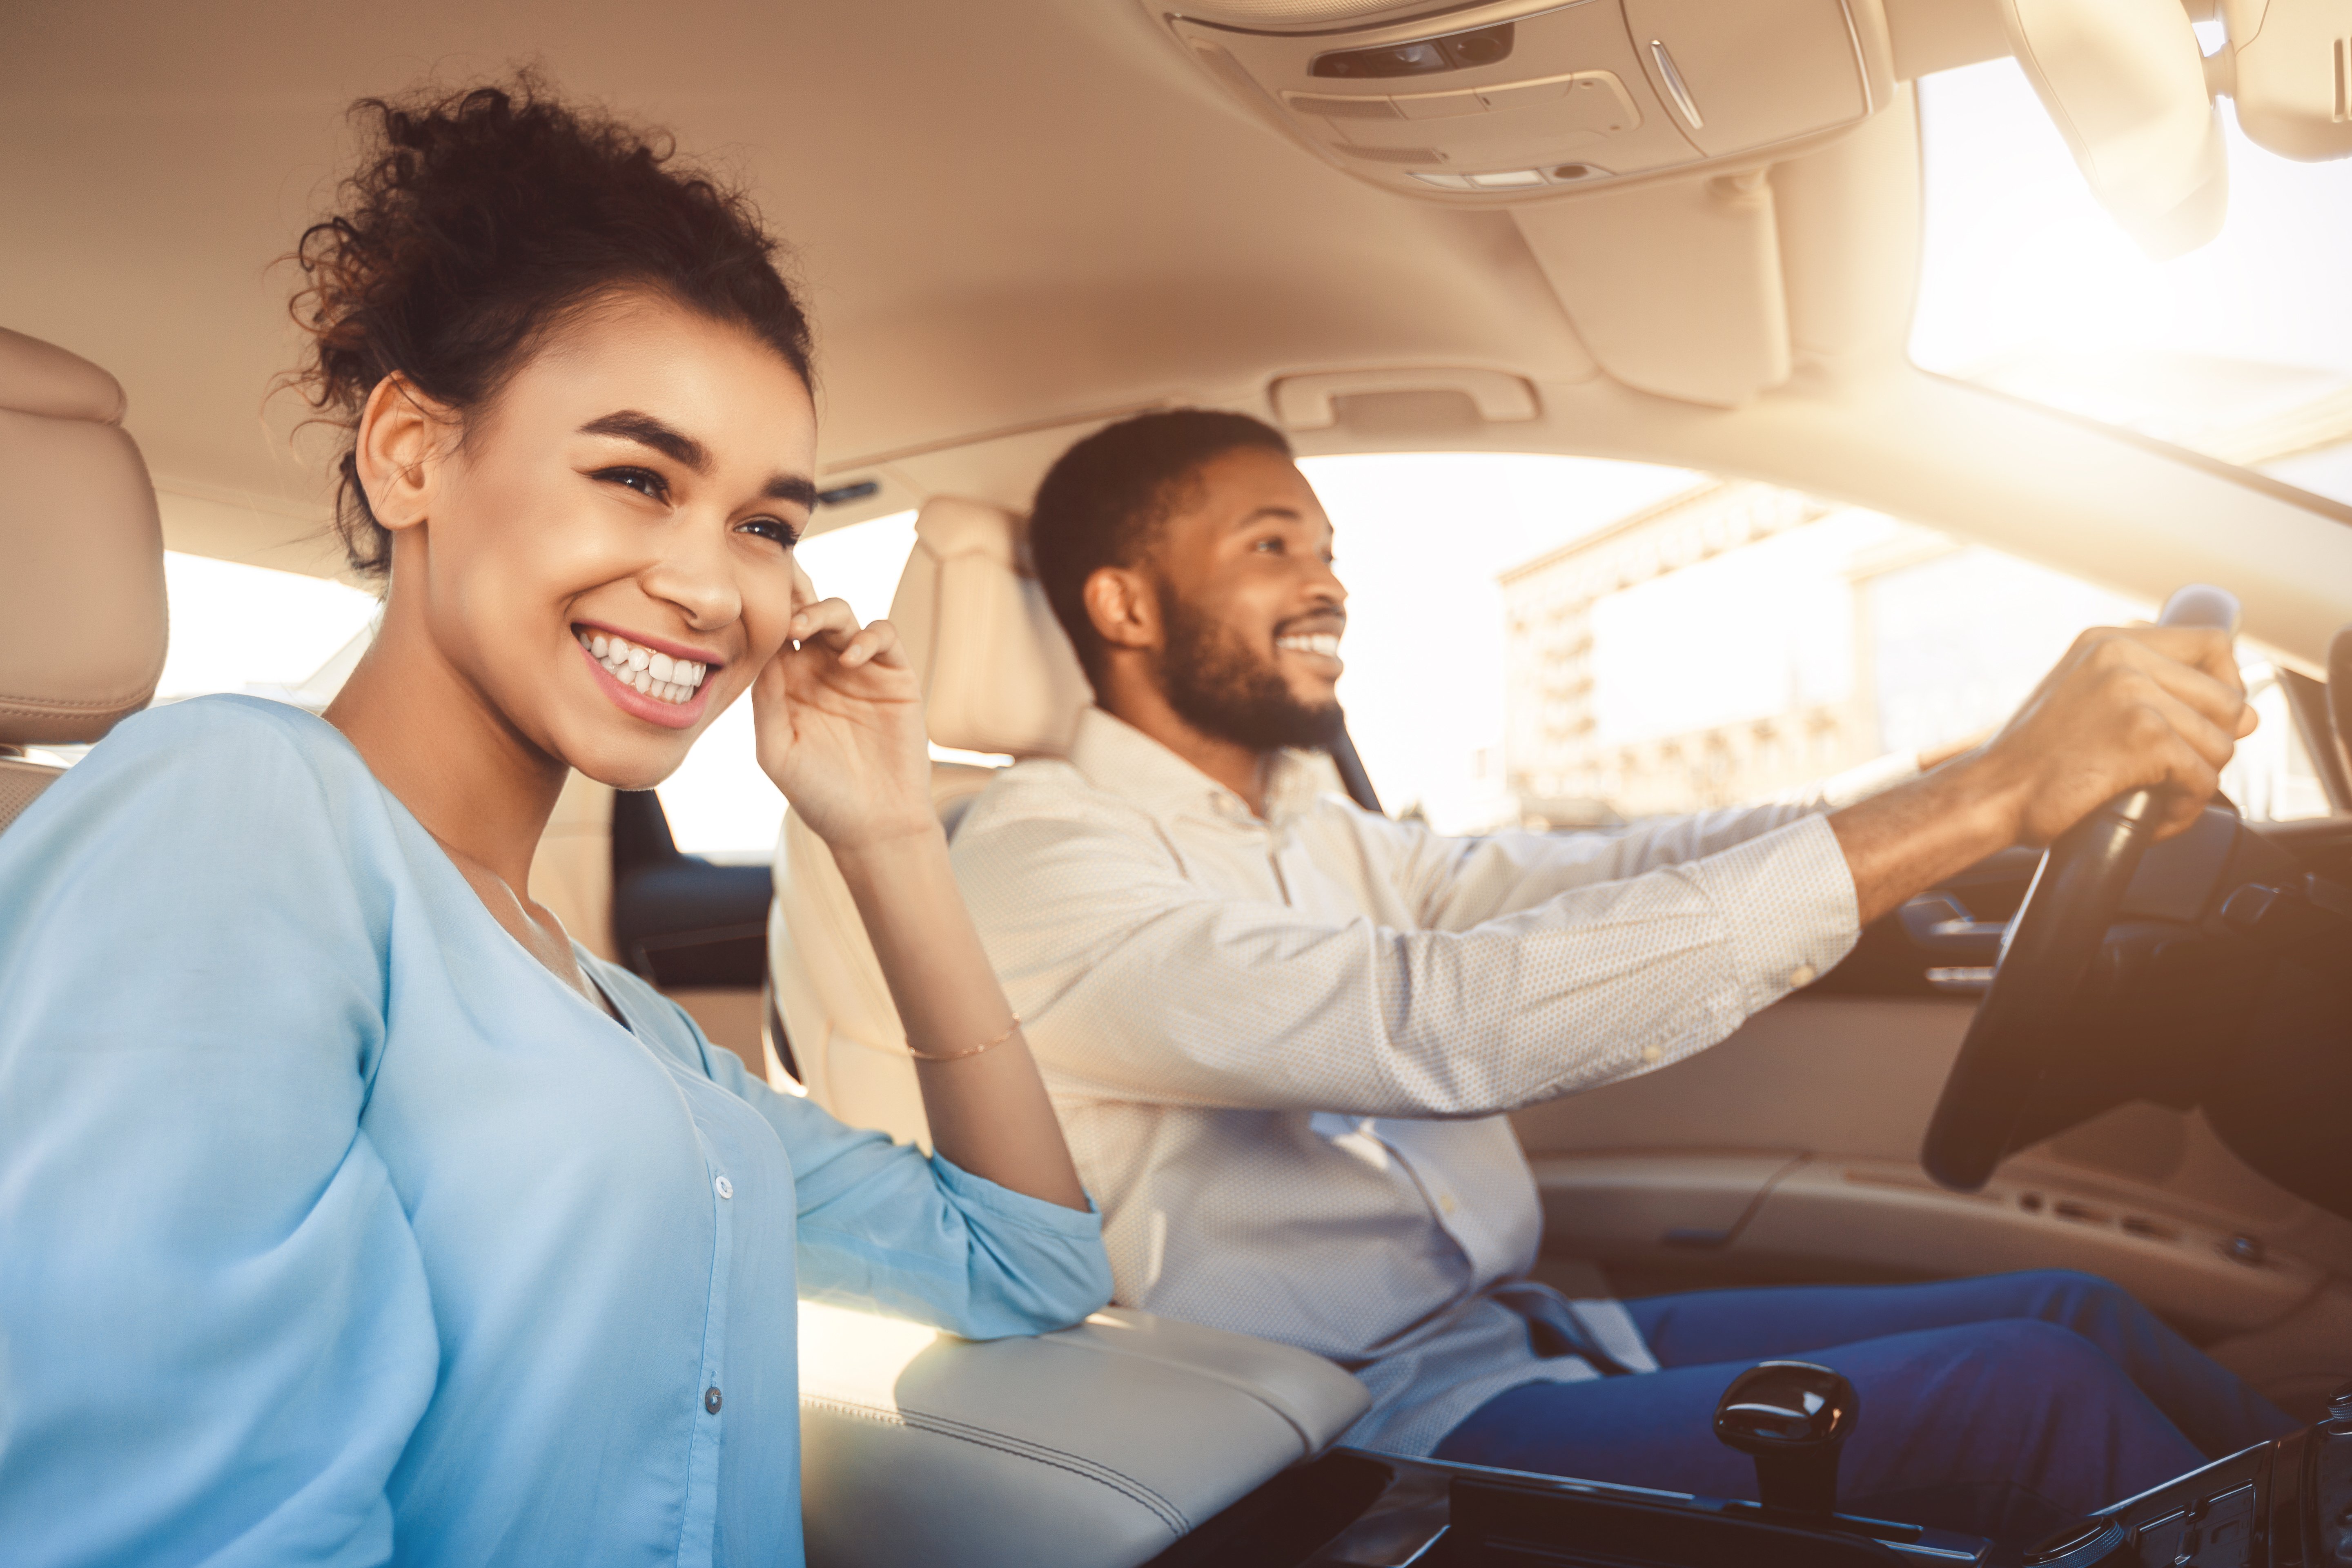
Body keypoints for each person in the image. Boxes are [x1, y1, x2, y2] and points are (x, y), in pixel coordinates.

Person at [0, 82, 1111, 1567]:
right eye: (636, 477)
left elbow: (1030, 1261)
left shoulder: (623, 1023)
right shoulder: (230, 809)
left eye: (767, 525)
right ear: (411, 455)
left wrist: (892, 834)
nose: (717, 591)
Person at [947, 408, 2295, 1544]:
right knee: (2029, 1389)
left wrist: (1965, 780)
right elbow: (1435, 1023)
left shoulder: (1313, 820)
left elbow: (1605, 869)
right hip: (1352, 1427)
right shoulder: (1038, 864)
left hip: (1521, 1323)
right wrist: (1991, 803)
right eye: (1271, 545)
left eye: (1328, 547)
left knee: (2076, 1307)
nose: (1329, 583)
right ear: (1124, 602)